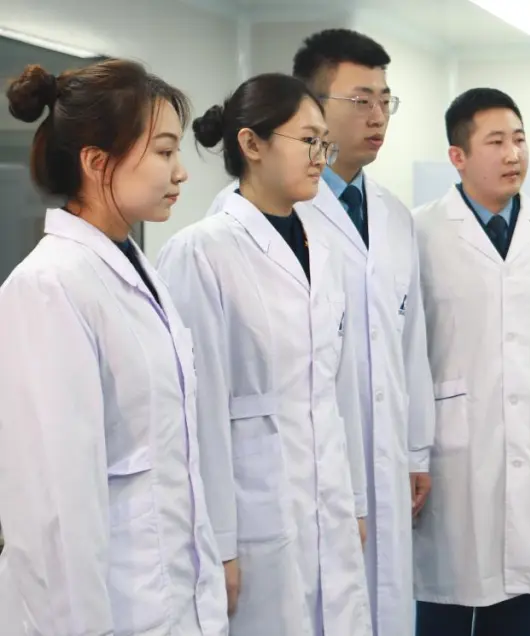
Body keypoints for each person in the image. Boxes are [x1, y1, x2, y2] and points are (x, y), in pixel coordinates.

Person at [0, 60, 227, 634]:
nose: (181, 173)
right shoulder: (49, 286)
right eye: (164, 151)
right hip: (109, 612)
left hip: (170, 597)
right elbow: (54, 509)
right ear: (97, 162)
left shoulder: (134, 270)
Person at [155, 73, 371, 636]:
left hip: (327, 504)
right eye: (308, 141)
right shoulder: (201, 252)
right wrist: (219, 544)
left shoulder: (326, 251)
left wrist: (354, 502)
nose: (321, 157)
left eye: (325, 143)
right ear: (252, 144)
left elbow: (337, 392)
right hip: (253, 518)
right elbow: (197, 414)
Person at [411, 88, 530, 636]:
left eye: (519, 139)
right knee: (446, 605)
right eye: (495, 142)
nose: (513, 154)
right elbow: (405, 353)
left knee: (520, 603)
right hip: (452, 453)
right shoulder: (420, 232)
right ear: (458, 156)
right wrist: (408, 454)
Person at [292, 29, 436, 636]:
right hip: (312, 457)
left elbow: (410, 343)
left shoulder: (396, 216)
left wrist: (417, 450)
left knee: (384, 604)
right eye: (361, 100)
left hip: (386, 451)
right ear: (312, 105)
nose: (378, 116)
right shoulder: (280, 211)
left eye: (385, 100)